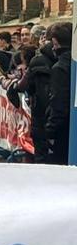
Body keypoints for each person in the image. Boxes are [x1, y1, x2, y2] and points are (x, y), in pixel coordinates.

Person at [44, 22, 71, 165]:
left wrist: (50, 131)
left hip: (63, 131)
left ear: (56, 42)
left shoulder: (60, 68)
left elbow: (58, 102)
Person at [27, 33, 58, 160]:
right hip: (46, 117)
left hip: (43, 116)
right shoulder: (51, 60)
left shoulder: (39, 60)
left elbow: (30, 86)